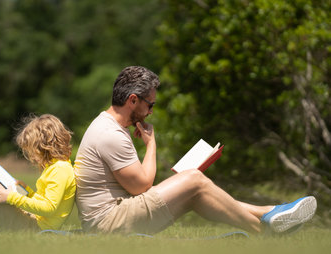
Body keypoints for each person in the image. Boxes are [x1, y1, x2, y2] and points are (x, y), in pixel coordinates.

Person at [74, 66, 317, 235]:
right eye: (150, 105)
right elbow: (141, 186)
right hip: (109, 222)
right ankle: (264, 228)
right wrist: (152, 144)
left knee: (195, 189)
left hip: (115, 214)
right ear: (133, 100)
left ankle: (270, 213)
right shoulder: (110, 134)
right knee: (193, 181)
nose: (150, 112)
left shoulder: (109, 127)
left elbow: (137, 186)